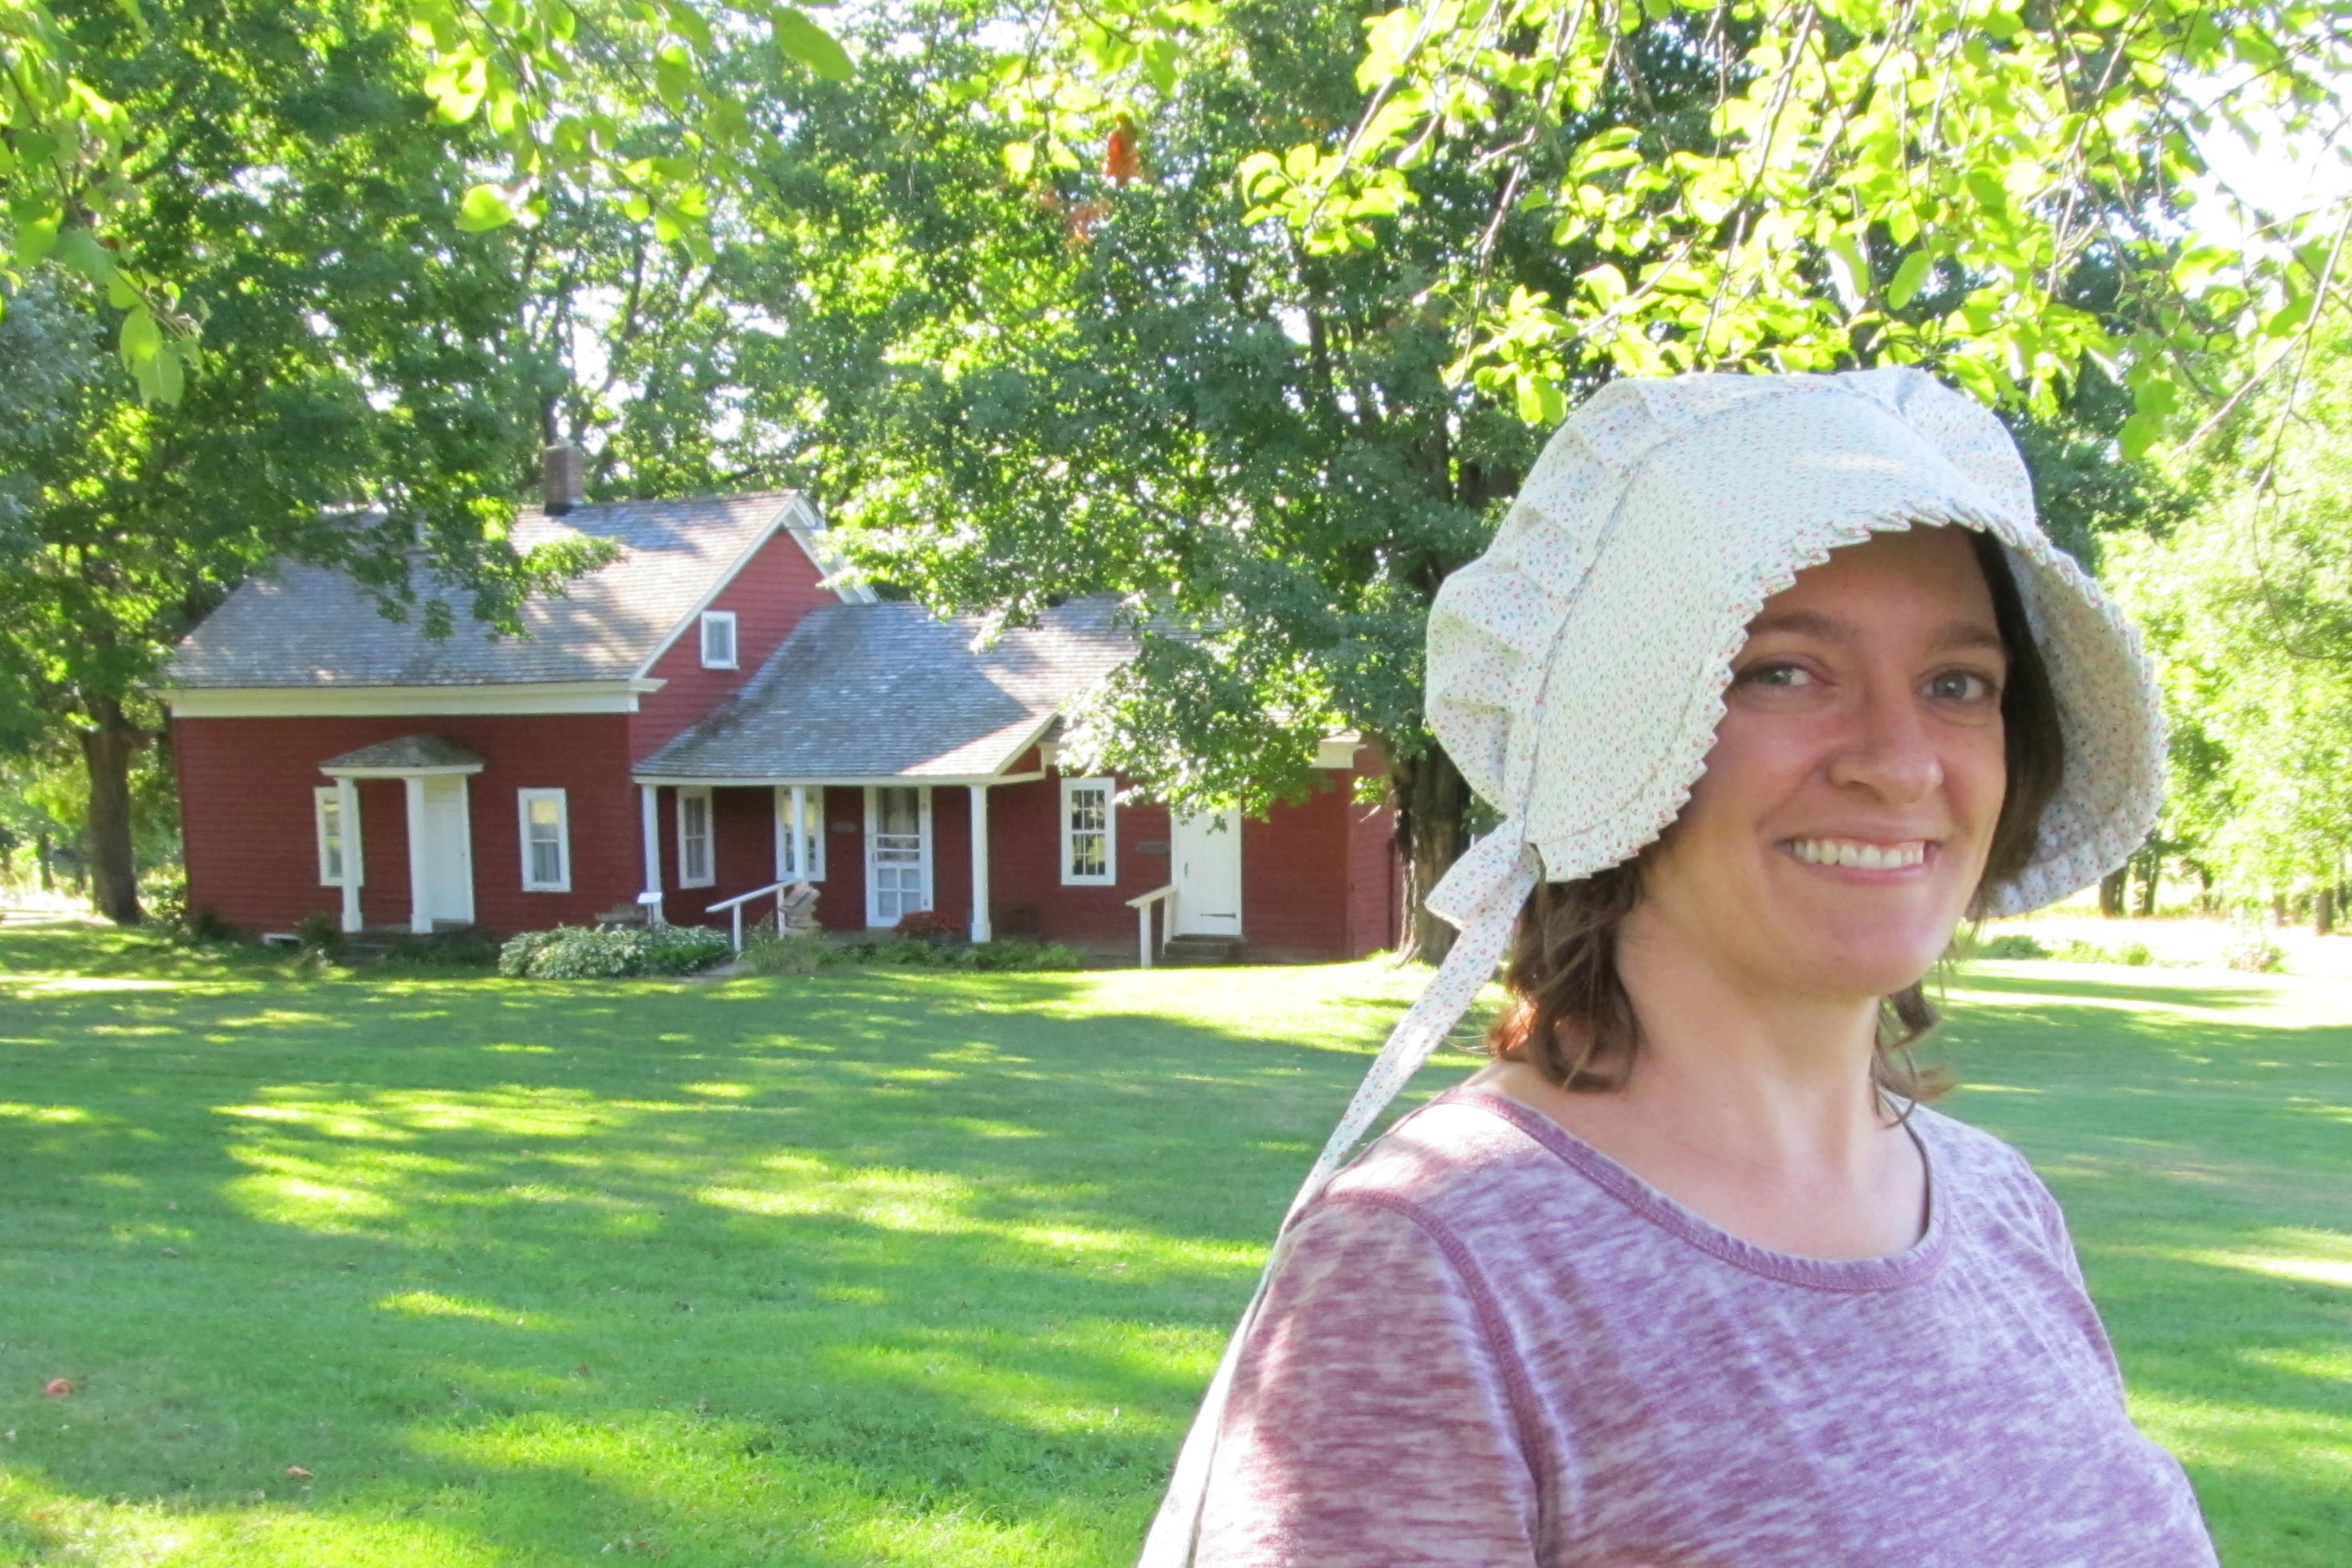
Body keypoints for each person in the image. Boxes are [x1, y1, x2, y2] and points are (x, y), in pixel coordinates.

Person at [1139, 369, 2217, 1566]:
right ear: (1621, 743)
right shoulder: (1433, 1266)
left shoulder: (2000, 1205)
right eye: (1784, 671)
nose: (1901, 763)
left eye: (1956, 684)